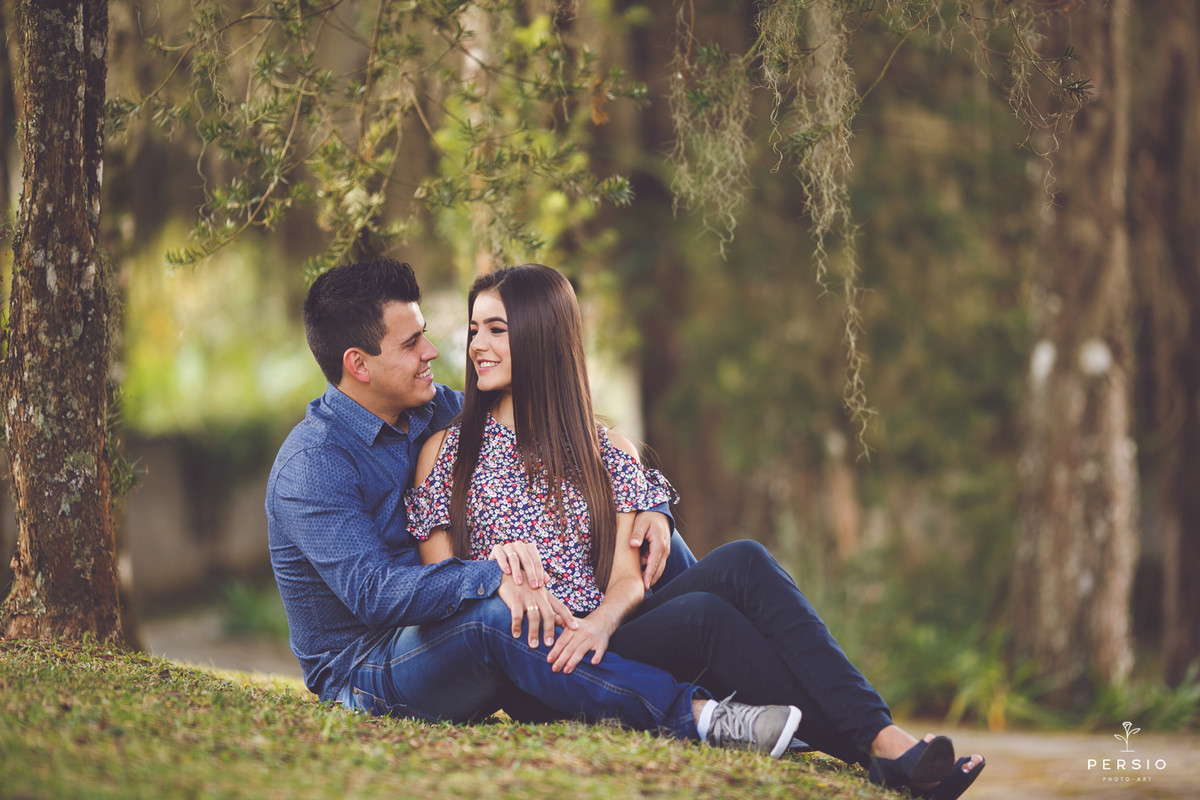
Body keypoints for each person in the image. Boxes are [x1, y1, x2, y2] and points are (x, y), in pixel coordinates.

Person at [408, 263, 986, 799]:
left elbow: (626, 580)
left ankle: (883, 743)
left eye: (496, 330)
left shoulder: (605, 450)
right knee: (706, 614)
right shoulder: (449, 453)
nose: (476, 345)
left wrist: (600, 624)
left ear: (540, 336)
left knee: (742, 561)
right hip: (536, 664)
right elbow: (441, 588)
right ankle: (882, 749)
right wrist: (494, 570)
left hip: (605, 639)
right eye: (474, 329)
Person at [265, 258, 804, 758]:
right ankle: (701, 716)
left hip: (459, 632)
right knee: (501, 610)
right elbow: (375, 596)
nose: (432, 351)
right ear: (358, 364)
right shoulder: (312, 465)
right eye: (411, 343)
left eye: (425, 333)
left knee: (658, 546)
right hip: (370, 670)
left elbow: (575, 439)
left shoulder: (439, 409)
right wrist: (491, 573)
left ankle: (786, 711)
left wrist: (652, 504)